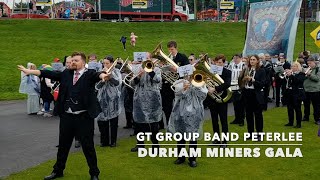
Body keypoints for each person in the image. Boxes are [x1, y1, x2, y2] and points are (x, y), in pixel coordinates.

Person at [17, 52, 110, 180]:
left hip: (83, 117)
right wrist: (30, 71)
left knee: (88, 147)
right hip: (67, 117)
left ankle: (94, 173)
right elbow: (49, 73)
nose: (72, 63)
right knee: (63, 145)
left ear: (83, 62)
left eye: (76, 60)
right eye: (71, 61)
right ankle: (58, 171)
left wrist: (104, 76)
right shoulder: (66, 73)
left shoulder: (89, 74)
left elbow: (98, 75)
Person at [167, 78, 208, 167]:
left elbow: (203, 96)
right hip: (180, 111)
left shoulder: (200, 82)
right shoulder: (179, 82)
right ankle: (181, 157)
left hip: (194, 112)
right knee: (180, 135)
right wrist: (184, 89)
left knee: (193, 136)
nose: (189, 76)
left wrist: (196, 87)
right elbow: (177, 94)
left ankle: (192, 159)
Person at [130, 58, 162, 152]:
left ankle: (155, 145)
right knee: (138, 122)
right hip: (139, 98)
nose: (147, 60)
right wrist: (138, 76)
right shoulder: (136, 69)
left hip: (153, 98)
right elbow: (132, 83)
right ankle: (140, 145)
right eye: (145, 58)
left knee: (154, 122)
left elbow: (158, 80)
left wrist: (150, 71)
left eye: (148, 58)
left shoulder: (156, 69)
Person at [159, 40, 189, 129]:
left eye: (172, 49)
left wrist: (177, 70)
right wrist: (162, 67)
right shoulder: (166, 59)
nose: (170, 52)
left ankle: (180, 125)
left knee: (179, 106)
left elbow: (188, 69)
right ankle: (169, 126)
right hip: (167, 85)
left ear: (176, 48)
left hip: (178, 85)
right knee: (167, 107)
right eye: (169, 50)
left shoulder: (182, 57)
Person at [96, 56, 122, 147]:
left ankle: (113, 141)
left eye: (107, 63)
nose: (105, 65)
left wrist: (110, 77)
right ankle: (104, 141)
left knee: (113, 121)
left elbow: (118, 83)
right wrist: (103, 80)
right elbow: (97, 87)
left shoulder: (116, 71)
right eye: (104, 63)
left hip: (113, 99)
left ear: (112, 63)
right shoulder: (100, 72)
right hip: (102, 99)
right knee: (103, 120)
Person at [239, 55, 266, 141]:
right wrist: (243, 80)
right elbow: (241, 80)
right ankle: (250, 133)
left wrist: (252, 80)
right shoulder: (247, 69)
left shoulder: (261, 71)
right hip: (247, 93)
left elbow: (262, 84)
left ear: (257, 61)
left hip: (256, 94)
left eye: (254, 60)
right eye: (251, 59)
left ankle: (259, 134)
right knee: (248, 115)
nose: (252, 61)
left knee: (258, 115)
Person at [207, 55, 231, 147]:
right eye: (216, 62)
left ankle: (224, 141)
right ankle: (216, 139)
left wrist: (216, 88)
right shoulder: (211, 72)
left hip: (222, 99)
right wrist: (208, 87)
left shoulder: (227, 72)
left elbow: (227, 84)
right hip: (212, 99)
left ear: (224, 63)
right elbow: (206, 81)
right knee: (214, 120)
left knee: (223, 120)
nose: (218, 64)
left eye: (220, 62)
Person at [284, 62, 305, 128]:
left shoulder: (301, 74)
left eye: (294, 66)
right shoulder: (290, 74)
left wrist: (291, 75)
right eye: (292, 66)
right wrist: (286, 76)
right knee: (289, 108)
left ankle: (298, 123)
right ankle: (290, 122)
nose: (292, 68)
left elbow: (298, 81)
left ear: (298, 67)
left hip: (297, 93)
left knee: (297, 108)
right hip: (290, 92)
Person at [228, 54, 246, 126]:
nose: (235, 59)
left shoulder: (243, 65)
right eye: (234, 58)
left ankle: (241, 120)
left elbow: (245, 75)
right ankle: (236, 119)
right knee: (235, 104)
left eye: (237, 58)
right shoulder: (231, 65)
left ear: (240, 58)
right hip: (232, 87)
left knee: (241, 104)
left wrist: (242, 86)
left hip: (240, 87)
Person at [303, 57, 320, 124]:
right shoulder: (307, 68)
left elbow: (317, 79)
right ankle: (306, 117)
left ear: (314, 62)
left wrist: (309, 74)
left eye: (310, 63)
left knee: (316, 105)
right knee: (306, 105)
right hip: (306, 89)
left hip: (315, 90)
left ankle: (317, 118)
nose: (309, 64)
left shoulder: (318, 69)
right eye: (308, 63)